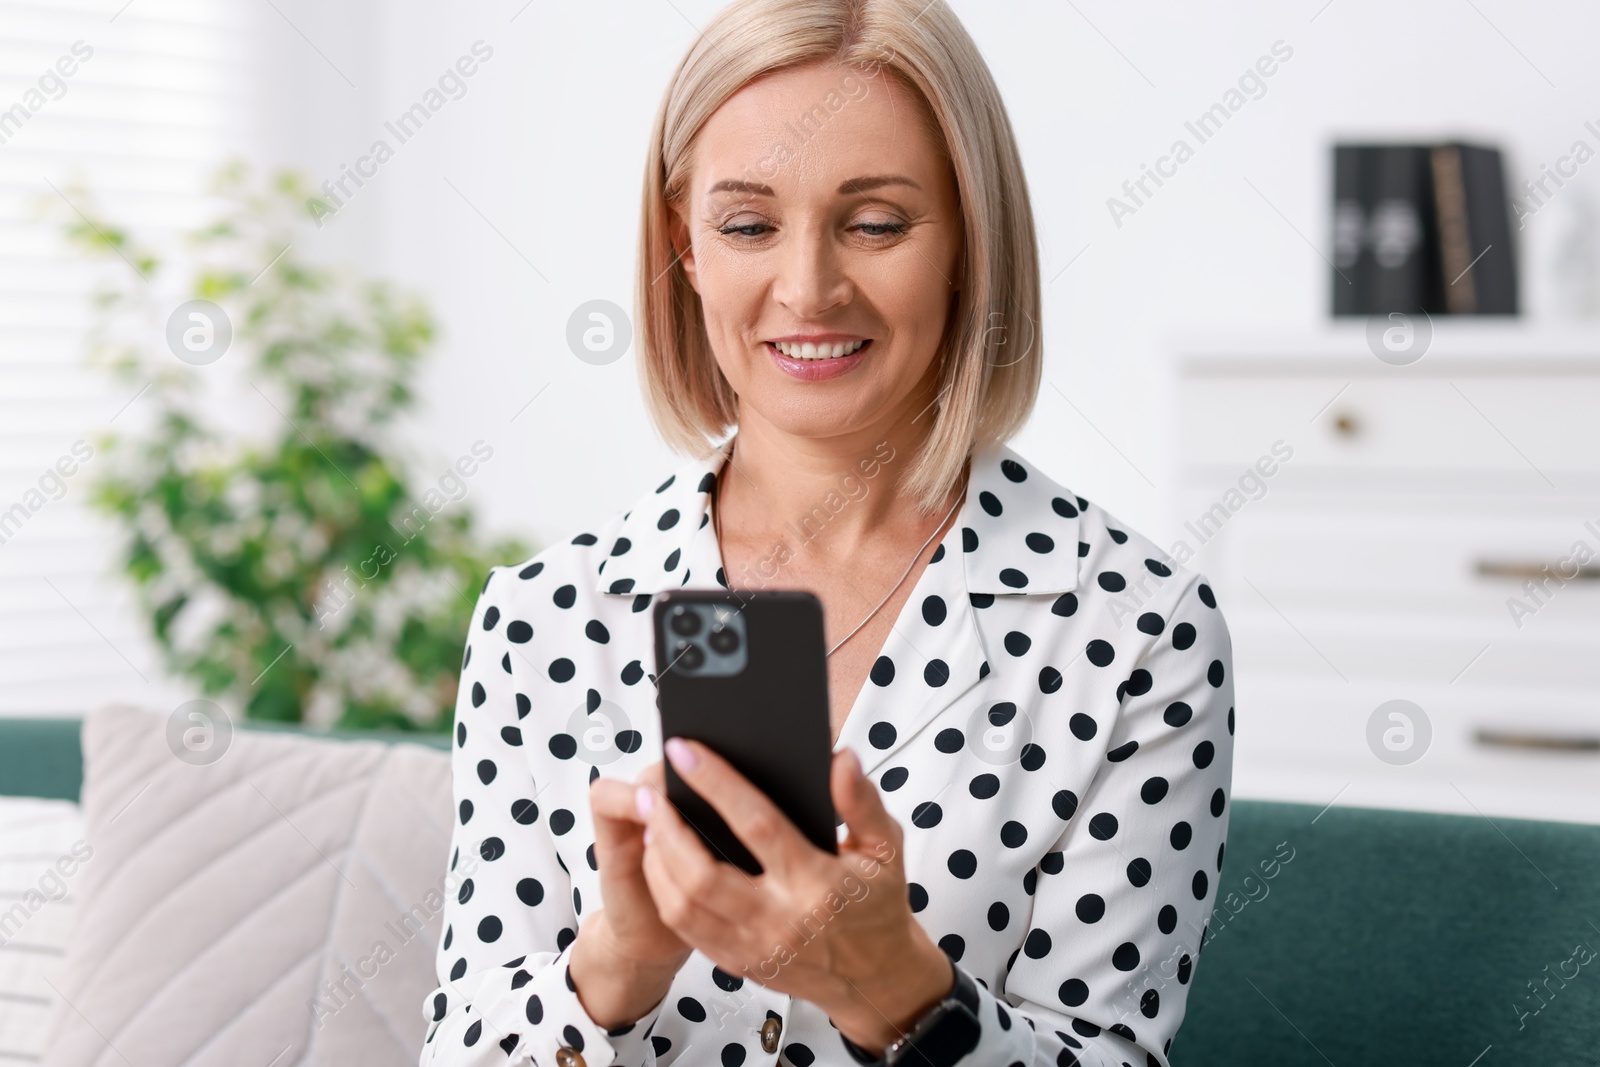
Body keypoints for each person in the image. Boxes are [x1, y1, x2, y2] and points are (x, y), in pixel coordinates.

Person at [419, 1, 1234, 1064]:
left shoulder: (1132, 630)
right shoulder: (543, 622)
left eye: (876, 222)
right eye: (749, 224)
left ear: (967, 243)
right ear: (686, 246)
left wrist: (895, 987)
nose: (807, 288)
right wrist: (615, 961)